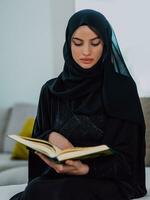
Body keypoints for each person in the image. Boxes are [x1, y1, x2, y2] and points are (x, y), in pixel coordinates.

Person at [10, 9, 147, 200]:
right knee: (35, 189)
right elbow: (38, 145)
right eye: (77, 43)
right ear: (68, 43)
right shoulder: (50, 90)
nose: (86, 52)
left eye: (95, 43)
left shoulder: (122, 89)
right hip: (60, 175)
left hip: (108, 180)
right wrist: (51, 136)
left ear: (106, 44)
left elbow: (129, 159)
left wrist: (85, 168)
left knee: (60, 192)